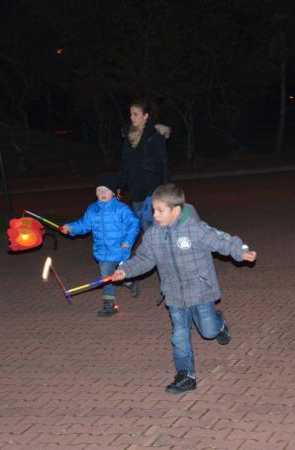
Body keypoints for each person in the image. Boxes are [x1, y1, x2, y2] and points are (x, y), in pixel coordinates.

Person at [112, 183, 257, 394]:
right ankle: (186, 375)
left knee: (208, 331)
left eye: (160, 210)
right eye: (154, 210)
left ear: (176, 211)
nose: (155, 215)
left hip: (200, 290)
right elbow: (143, 259)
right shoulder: (153, 235)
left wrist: (240, 251)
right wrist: (125, 270)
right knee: (180, 336)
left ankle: (219, 323)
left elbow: (221, 240)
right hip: (173, 294)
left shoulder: (195, 229)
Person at [59, 174, 140, 317]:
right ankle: (110, 304)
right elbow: (84, 224)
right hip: (102, 251)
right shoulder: (93, 209)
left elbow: (134, 224)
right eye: (99, 190)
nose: (102, 193)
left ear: (113, 193)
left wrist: (128, 241)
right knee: (107, 275)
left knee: (115, 275)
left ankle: (129, 282)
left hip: (120, 249)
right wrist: (71, 228)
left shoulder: (121, 209)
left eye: (105, 190)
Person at [118, 100, 171, 230]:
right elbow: (125, 162)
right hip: (135, 187)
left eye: (135, 114)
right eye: (131, 114)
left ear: (145, 116)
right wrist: (120, 185)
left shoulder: (154, 135)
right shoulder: (128, 134)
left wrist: (166, 186)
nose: (132, 117)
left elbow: (163, 161)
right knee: (140, 220)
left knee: (149, 223)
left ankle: (157, 242)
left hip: (151, 186)